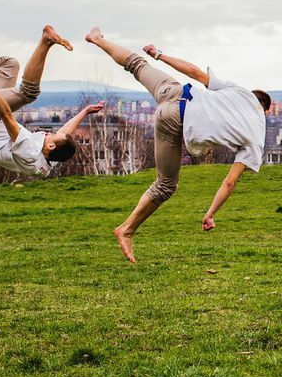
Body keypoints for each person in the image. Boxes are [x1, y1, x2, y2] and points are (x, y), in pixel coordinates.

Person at [84, 27, 270, 263]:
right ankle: (127, 229)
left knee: (137, 65)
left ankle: (98, 39)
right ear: (266, 111)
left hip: (175, 91)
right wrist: (210, 214)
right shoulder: (256, 136)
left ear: (252, 95)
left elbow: (193, 71)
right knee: (165, 186)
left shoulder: (238, 91)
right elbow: (230, 181)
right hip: (174, 119)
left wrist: (159, 54)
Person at [0, 26, 100, 176]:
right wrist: (85, 111)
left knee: (28, 93)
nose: (48, 133)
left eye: (51, 134)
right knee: (10, 64)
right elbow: (64, 134)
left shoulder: (28, 151)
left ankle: (46, 40)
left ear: (51, 145)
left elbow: (6, 114)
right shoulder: (49, 158)